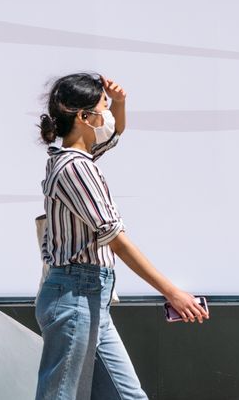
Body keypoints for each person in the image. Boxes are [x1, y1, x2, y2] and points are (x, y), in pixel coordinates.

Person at [34, 72, 209, 400]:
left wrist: (119, 102)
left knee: (127, 397)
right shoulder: (74, 168)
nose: (109, 117)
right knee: (60, 396)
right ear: (85, 117)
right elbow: (116, 238)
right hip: (74, 297)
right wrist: (173, 292)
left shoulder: (80, 160)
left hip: (91, 297)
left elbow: (115, 133)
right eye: (104, 108)